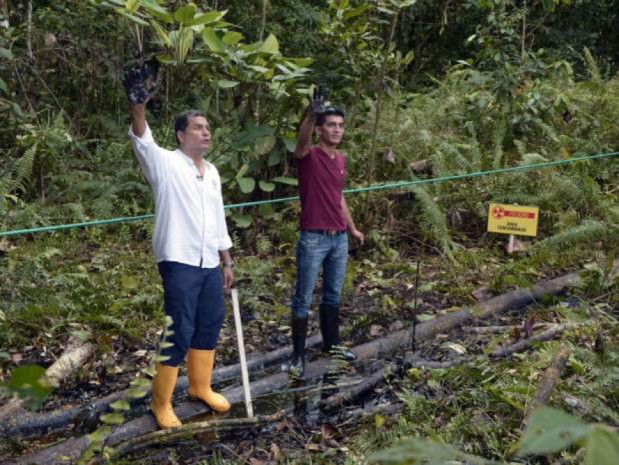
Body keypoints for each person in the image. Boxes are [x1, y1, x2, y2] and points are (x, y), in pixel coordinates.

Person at [127, 74, 234, 429]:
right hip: (179, 260)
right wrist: (138, 106)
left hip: (209, 261)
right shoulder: (164, 163)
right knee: (179, 329)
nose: (206, 132)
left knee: (210, 321)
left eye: (208, 128)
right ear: (180, 135)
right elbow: (142, 138)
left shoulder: (213, 171)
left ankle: (200, 387)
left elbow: (218, 217)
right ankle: (162, 403)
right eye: (198, 128)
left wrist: (227, 258)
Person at [289, 103, 364, 377]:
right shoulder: (310, 156)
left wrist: (353, 229)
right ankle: (298, 356)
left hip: (338, 239)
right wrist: (309, 115)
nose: (337, 130)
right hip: (313, 239)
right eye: (331, 125)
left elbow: (338, 197)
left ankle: (331, 345)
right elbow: (299, 146)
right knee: (303, 297)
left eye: (341, 125)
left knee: (333, 294)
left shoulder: (341, 160)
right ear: (320, 129)